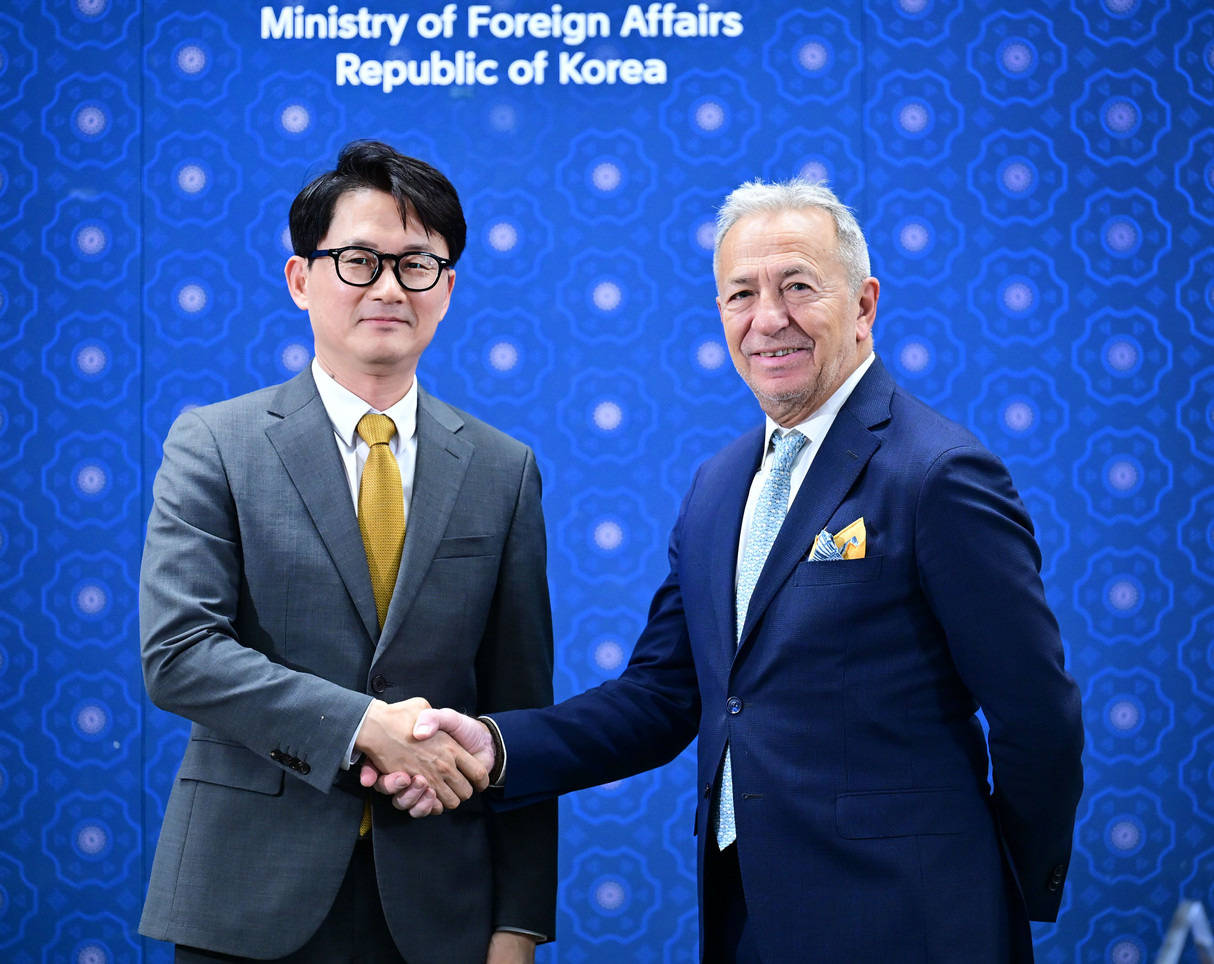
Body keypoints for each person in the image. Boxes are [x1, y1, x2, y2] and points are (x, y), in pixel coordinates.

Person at [372, 178, 1085, 963]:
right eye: (739, 294)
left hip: (917, 922)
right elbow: (662, 696)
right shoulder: (719, 485)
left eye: (798, 287)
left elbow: (1038, 718)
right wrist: (496, 747)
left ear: (864, 304)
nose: (766, 319)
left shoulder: (937, 474)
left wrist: (996, 883)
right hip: (748, 921)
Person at [138, 140, 557, 964]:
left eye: (418, 265)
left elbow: (521, 710)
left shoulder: (504, 471)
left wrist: (520, 923)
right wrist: (367, 725)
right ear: (302, 280)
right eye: (359, 261)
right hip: (245, 898)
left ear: (448, 289)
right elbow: (179, 655)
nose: (390, 288)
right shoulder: (214, 444)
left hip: (443, 907)